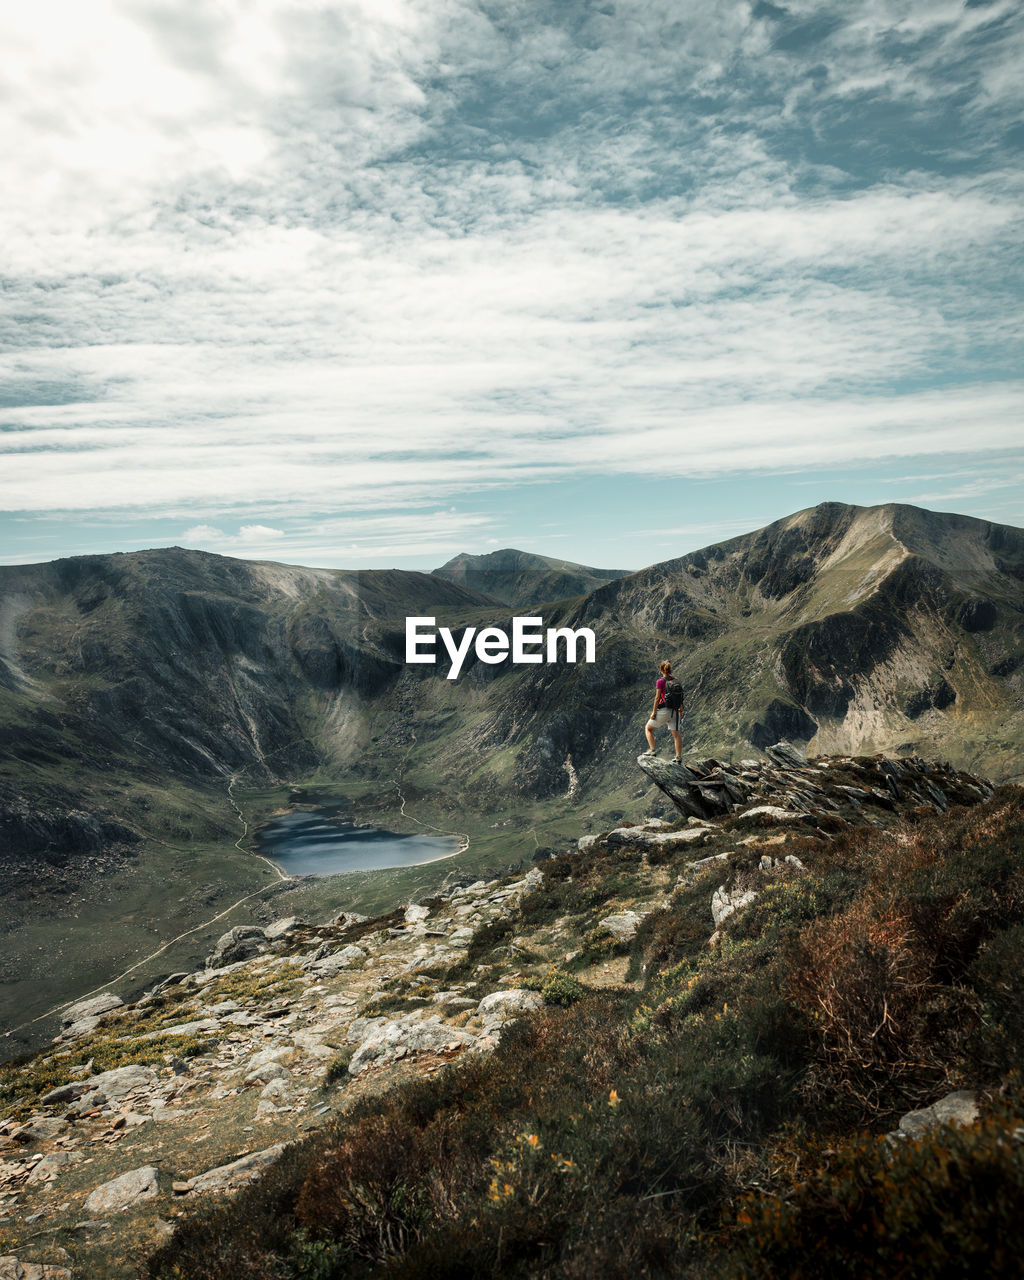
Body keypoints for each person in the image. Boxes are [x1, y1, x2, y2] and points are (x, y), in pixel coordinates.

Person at [640, 660, 682, 762]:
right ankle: (678, 757)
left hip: (664, 710)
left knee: (648, 728)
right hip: (675, 711)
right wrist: (681, 709)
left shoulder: (661, 681)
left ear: (661, 669)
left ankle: (652, 750)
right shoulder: (676, 680)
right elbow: (679, 696)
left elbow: (657, 698)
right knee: (676, 735)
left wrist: (654, 712)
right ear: (670, 669)